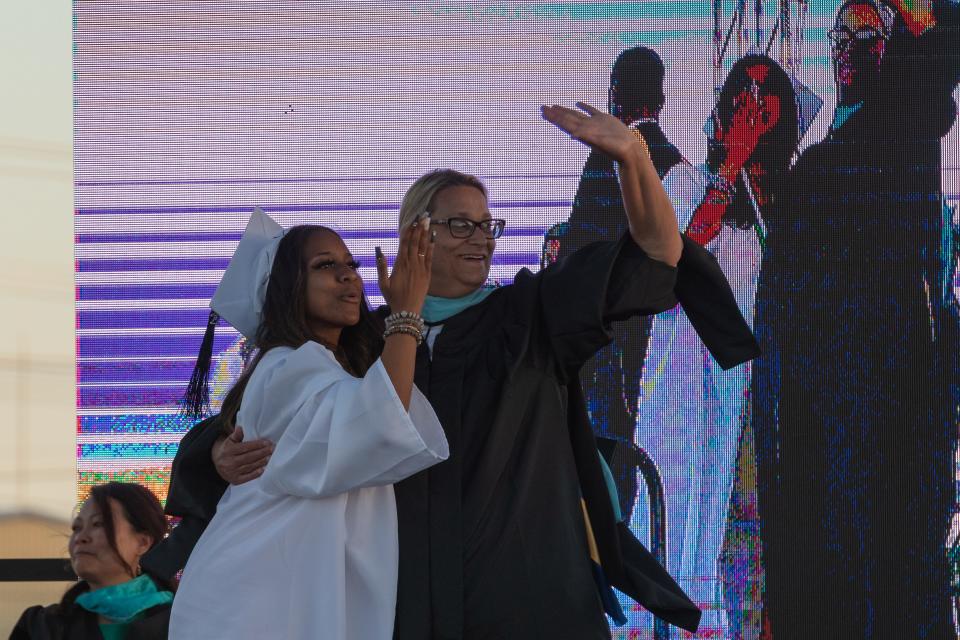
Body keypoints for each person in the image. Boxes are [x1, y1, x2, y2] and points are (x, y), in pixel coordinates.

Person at [156, 103, 761, 638]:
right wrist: (214, 454)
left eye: (487, 225)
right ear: (417, 232)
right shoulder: (368, 340)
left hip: (525, 593)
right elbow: (269, 410)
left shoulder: (528, 316)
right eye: (459, 224)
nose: (482, 239)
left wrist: (632, 156)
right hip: (405, 601)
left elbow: (657, 256)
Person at [752, 0, 960, 636]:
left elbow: (937, 63)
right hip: (816, 399)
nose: (849, 44)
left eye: (869, 33)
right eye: (841, 33)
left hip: (883, 391)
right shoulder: (824, 160)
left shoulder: (901, 126)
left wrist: (920, 16)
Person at [168, 212, 449, 639]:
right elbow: (378, 423)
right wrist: (406, 314)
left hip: (282, 591)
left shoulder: (325, 367)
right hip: (253, 603)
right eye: (325, 266)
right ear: (288, 288)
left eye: (351, 265)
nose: (347, 277)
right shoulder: (287, 366)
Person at [632, 54, 798, 637]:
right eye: (742, 91)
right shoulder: (685, 181)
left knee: (754, 544)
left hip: (762, 401)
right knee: (685, 530)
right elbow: (678, 258)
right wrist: (730, 166)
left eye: (766, 93)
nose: (753, 103)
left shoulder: (792, 199)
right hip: (690, 393)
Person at [548, 46, 686, 522]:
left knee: (605, 454)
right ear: (662, 97)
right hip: (650, 337)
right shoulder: (673, 162)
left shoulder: (609, 159)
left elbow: (584, 247)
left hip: (603, 335)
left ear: (613, 95)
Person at [11, 482, 174, 640]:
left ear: (142, 543)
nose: (81, 537)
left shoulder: (180, 620)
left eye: (98, 524)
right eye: (77, 528)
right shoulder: (41, 627)